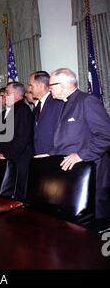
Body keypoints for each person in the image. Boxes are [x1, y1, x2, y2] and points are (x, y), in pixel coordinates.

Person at [49, 68, 110, 218]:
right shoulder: (65, 104)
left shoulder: (86, 101)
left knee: (95, 220)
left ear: (63, 85)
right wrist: (50, 154)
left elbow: (106, 134)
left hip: (92, 171)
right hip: (75, 173)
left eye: (51, 85)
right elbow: (68, 138)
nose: (49, 89)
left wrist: (81, 155)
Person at [0, 82, 33, 200]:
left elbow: (22, 138)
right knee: (6, 193)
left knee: (18, 194)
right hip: (8, 159)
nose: (4, 95)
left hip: (19, 158)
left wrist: (6, 154)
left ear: (17, 95)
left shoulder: (23, 110)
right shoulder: (5, 113)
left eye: (7, 92)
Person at [28, 71, 63, 155]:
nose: (29, 89)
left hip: (54, 156)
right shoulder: (38, 106)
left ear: (41, 86)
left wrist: (51, 152)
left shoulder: (57, 103)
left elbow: (61, 132)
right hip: (40, 155)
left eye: (31, 85)